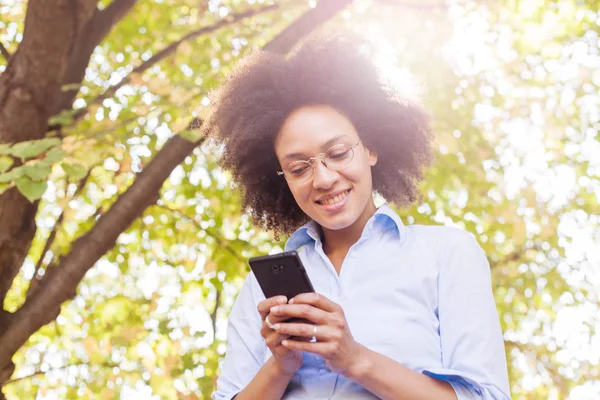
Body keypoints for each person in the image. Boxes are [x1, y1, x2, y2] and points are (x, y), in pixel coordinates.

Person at [206, 33, 511, 400]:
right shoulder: (260, 290)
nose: (323, 178)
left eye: (337, 153)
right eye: (299, 168)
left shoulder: (446, 253)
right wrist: (281, 366)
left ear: (371, 148)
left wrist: (354, 360)